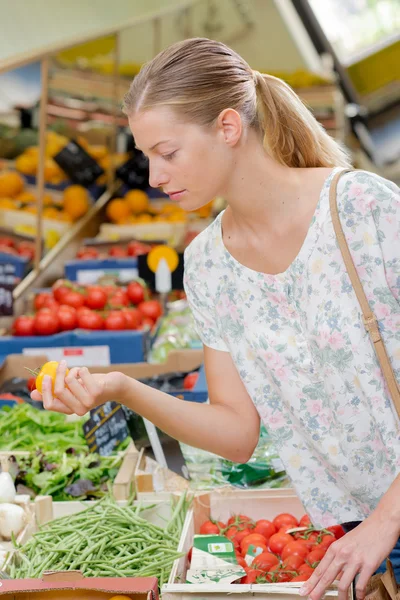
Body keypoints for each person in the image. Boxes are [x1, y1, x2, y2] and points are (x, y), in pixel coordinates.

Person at [31, 38, 400, 600]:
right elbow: (235, 434)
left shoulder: (362, 210)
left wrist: (385, 520)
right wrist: (122, 389)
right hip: (359, 533)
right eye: (147, 155)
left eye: (168, 152)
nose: (154, 175)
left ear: (228, 127)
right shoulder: (208, 265)